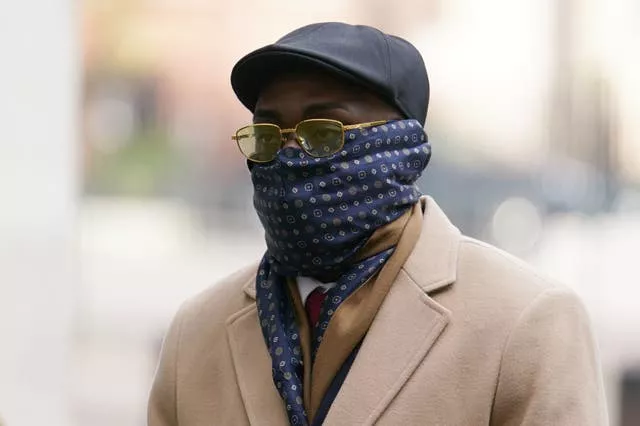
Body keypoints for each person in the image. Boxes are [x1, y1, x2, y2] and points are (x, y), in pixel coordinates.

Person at [148, 22, 608, 426]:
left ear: (404, 145)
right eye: (268, 137)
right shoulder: (196, 333)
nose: (290, 157)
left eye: (324, 133)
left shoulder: (526, 323)